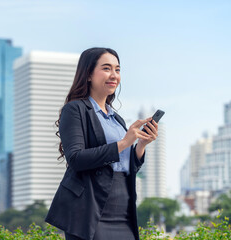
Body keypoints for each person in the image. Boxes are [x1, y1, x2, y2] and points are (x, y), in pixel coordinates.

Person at [45, 47, 159, 240]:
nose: (114, 75)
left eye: (117, 69)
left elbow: (124, 165)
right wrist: (124, 143)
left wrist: (140, 145)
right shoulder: (75, 110)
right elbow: (76, 159)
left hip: (123, 210)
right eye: (106, 68)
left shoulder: (117, 119)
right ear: (88, 74)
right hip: (89, 212)